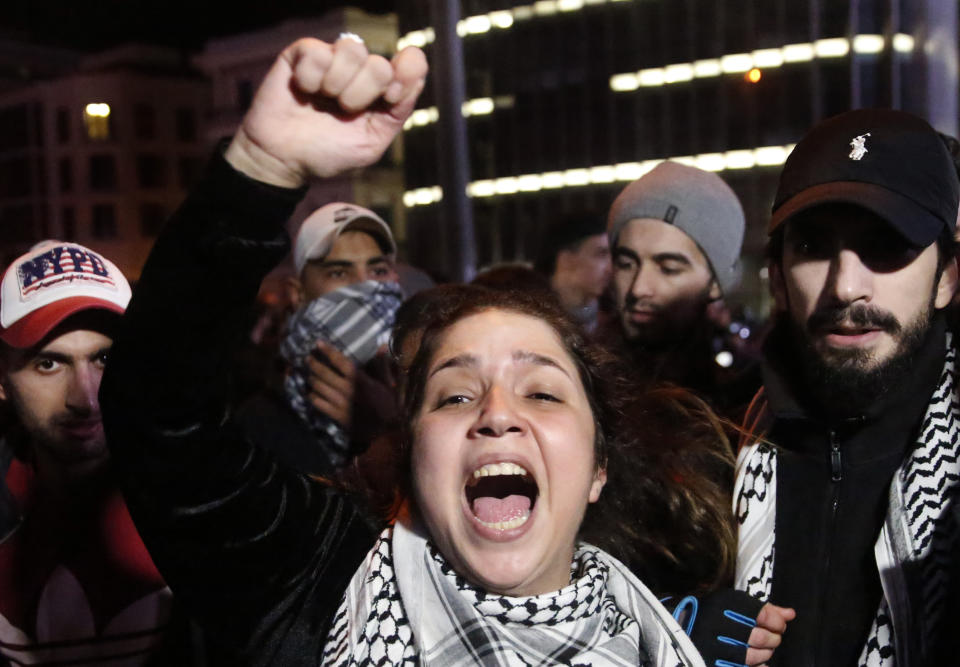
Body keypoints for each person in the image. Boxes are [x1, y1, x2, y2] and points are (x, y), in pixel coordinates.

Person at [99, 36, 790, 665]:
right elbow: (160, 412)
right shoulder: (313, 583)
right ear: (409, 444)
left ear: (598, 468)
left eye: (542, 391)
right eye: (455, 393)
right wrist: (258, 171)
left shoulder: (659, 639)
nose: (496, 413)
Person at [734, 108, 960, 666]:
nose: (846, 287)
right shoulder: (709, 443)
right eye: (812, 248)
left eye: (885, 245)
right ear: (778, 279)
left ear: (947, 277)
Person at [0, 241, 194, 665]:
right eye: (48, 364)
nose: (86, 399)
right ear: (2, 380)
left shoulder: (201, 496)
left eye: (105, 357)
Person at [605, 163, 756, 418]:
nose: (639, 288)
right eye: (626, 264)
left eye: (669, 268)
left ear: (716, 284)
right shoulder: (578, 389)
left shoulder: (747, 416)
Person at [534, 211, 612, 333]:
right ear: (566, 259)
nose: (610, 267)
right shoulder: (531, 319)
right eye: (600, 254)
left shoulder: (612, 323)